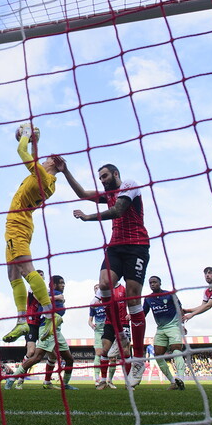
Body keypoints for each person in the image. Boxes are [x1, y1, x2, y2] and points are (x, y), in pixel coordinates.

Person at [54, 157, 150, 388]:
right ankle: (120, 334)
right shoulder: (108, 194)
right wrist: (65, 171)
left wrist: (88, 217)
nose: (102, 180)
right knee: (104, 284)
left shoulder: (129, 185)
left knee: (133, 298)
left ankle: (138, 359)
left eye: (105, 176)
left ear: (116, 174)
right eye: (100, 178)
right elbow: (82, 194)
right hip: (115, 247)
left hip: (137, 246)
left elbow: (118, 211)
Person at [2, 126, 62, 343]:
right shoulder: (49, 182)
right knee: (13, 274)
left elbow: (21, 151)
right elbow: (34, 158)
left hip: (17, 225)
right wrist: (35, 142)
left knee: (26, 269)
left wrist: (26, 135)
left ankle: (50, 313)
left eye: (46, 159)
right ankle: (21, 321)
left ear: (52, 164)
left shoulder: (42, 175)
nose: (42, 160)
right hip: (22, 224)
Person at [5, 275, 78, 390]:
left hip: (56, 329)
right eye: (61, 283)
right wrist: (58, 298)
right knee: (36, 357)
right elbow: (40, 301)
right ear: (54, 284)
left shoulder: (55, 295)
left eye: (64, 283)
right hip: (47, 328)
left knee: (69, 359)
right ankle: (12, 378)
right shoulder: (48, 294)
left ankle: (64, 384)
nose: (63, 285)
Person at [143, 275, 188, 391]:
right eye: (150, 283)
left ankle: (181, 378)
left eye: (154, 282)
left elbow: (179, 309)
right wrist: (132, 316)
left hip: (173, 326)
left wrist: (182, 325)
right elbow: (143, 313)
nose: (152, 284)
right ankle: (173, 382)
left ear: (160, 283)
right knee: (158, 355)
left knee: (176, 350)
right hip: (160, 328)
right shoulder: (148, 298)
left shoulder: (170, 294)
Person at [96, 283, 132, 390]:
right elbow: (94, 303)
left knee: (126, 351)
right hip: (109, 323)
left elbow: (132, 301)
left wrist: (131, 313)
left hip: (123, 322)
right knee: (105, 350)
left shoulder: (123, 289)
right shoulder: (104, 289)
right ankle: (103, 381)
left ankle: (128, 382)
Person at [87, 284, 108, 387]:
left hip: (108, 329)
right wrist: (91, 324)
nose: (98, 289)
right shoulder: (93, 305)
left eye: (99, 287)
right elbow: (89, 320)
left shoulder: (107, 301)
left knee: (111, 356)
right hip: (98, 331)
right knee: (98, 353)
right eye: (96, 288)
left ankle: (109, 380)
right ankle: (97, 378)